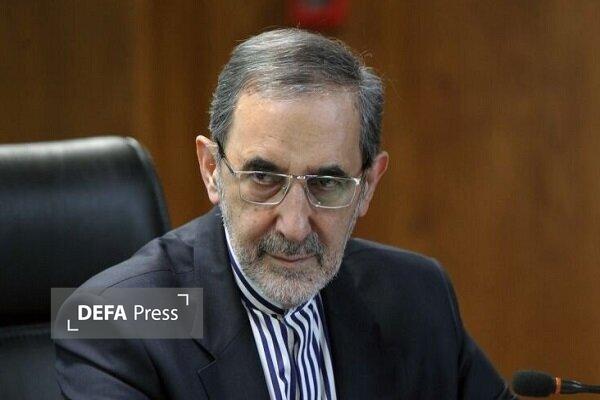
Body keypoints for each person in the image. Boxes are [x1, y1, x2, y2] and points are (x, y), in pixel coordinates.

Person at [55, 28, 516, 399]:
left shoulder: (416, 297)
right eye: (264, 178)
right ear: (212, 170)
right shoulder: (116, 316)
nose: (294, 226)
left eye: (326, 183)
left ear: (368, 186)